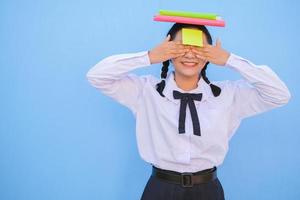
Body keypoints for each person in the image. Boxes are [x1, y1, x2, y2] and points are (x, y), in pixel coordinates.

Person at [86, 23, 291, 200]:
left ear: (209, 54)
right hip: (160, 189)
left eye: (198, 48)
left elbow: (280, 94)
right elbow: (97, 76)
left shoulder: (229, 95)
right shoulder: (144, 91)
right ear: (168, 51)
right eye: (181, 47)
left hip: (208, 190)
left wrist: (230, 60)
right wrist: (149, 56)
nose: (190, 54)